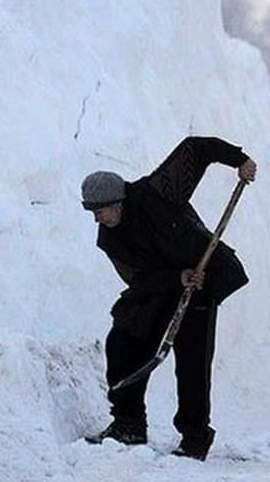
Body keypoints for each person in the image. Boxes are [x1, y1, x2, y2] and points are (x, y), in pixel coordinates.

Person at [81, 136, 257, 461]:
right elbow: (136, 279)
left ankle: (195, 438)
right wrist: (176, 278)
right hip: (161, 286)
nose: (97, 219)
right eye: (92, 212)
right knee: (123, 341)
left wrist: (239, 160)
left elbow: (195, 148)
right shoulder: (109, 238)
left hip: (204, 279)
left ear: (118, 201)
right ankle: (128, 425)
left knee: (192, 360)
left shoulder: (159, 191)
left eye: (100, 211)